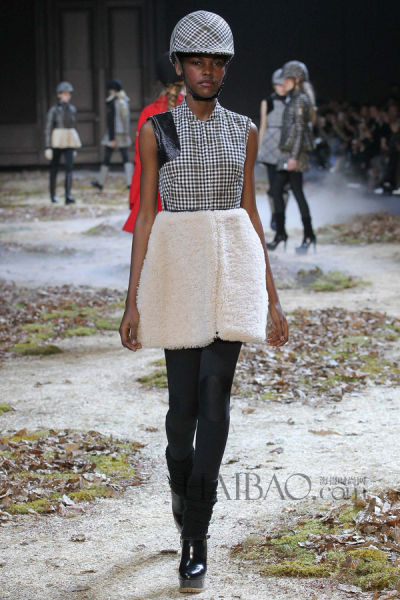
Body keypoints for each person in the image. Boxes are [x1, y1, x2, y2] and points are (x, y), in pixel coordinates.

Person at [118, 10, 288, 593]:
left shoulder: (244, 129)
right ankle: (180, 485)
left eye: (216, 62)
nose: (207, 71)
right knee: (182, 411)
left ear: (226, 68)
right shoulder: (157, 130)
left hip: (232, 268)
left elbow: (250, 212)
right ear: (179, 66)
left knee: (215, 398)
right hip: (178, 271)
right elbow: (146, 216)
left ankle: (197, 533)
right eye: (197, 61)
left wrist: (272, 296)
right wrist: (132, 300)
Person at [122, 52, 185, 233]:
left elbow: (141, 161)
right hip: (190, 197)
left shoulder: (149, 113)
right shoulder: (195, 110)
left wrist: (135, 197)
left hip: (156, 197)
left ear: (159, 81)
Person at [267, 60, 317, 253]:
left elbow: (299, 130)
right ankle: (281, 234)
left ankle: (308, 235)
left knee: (296, 193)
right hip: (287, 153)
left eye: (287, 79)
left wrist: (294, 157)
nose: (284, 82)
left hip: (294, 155)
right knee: (277, 191)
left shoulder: (300, 100)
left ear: (296, 80)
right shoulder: (293, 98)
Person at [257, 68, 290, 231]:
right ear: (274, 85)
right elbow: (263, 125)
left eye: (284, 84)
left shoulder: (293, 101)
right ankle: (274, 216)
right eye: (278, 84)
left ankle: (280, 216)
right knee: (273, 185)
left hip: (287, 146)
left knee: (285, 186)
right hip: (270, 146)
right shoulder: (267, 102)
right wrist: (259, 150)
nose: (281, 88)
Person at [91, 79, 132, 191]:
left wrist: (112, 138)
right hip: (122, 134)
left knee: (107, 158)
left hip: (114, 133)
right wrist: (126, 134)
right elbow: (126, 121)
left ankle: (100, 183)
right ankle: (130, 183)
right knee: (126, 158)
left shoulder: (114, 102)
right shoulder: (123, 101)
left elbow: (111, 121)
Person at [44, 81, 82, 204]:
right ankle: (52, 194)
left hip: (69, 140)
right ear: (59, 95)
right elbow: (48, 128)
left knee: (69, 168)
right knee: (54, 168)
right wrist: (47, 146)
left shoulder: (72, 109)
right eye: (65, 94)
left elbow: (74, 126)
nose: (67, 96)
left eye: (68, 94)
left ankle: (68, 195)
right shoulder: (54, 110)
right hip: (57, 141)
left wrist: (74, 146)